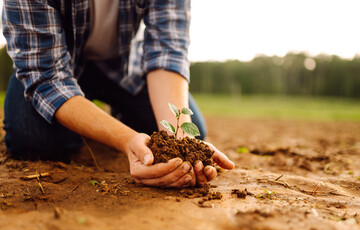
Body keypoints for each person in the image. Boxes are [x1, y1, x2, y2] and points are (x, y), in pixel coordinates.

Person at [1, 0, 234, 188]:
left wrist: (183, 141)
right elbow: (46, 75)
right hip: (59, 63)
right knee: (31, 136)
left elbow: (168, 50)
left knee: (194, 132)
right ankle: (92, 121)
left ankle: (109, 117)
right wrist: (126, 139)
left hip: (124, 67)